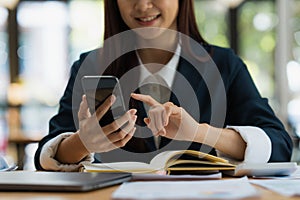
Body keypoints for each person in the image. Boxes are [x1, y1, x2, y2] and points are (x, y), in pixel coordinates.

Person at [34, 0, 293, 171]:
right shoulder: (91, 66)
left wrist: (201, 133)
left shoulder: (224, 65)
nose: (143, 5)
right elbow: (46, 156)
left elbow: (279, 145)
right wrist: (83, 142)